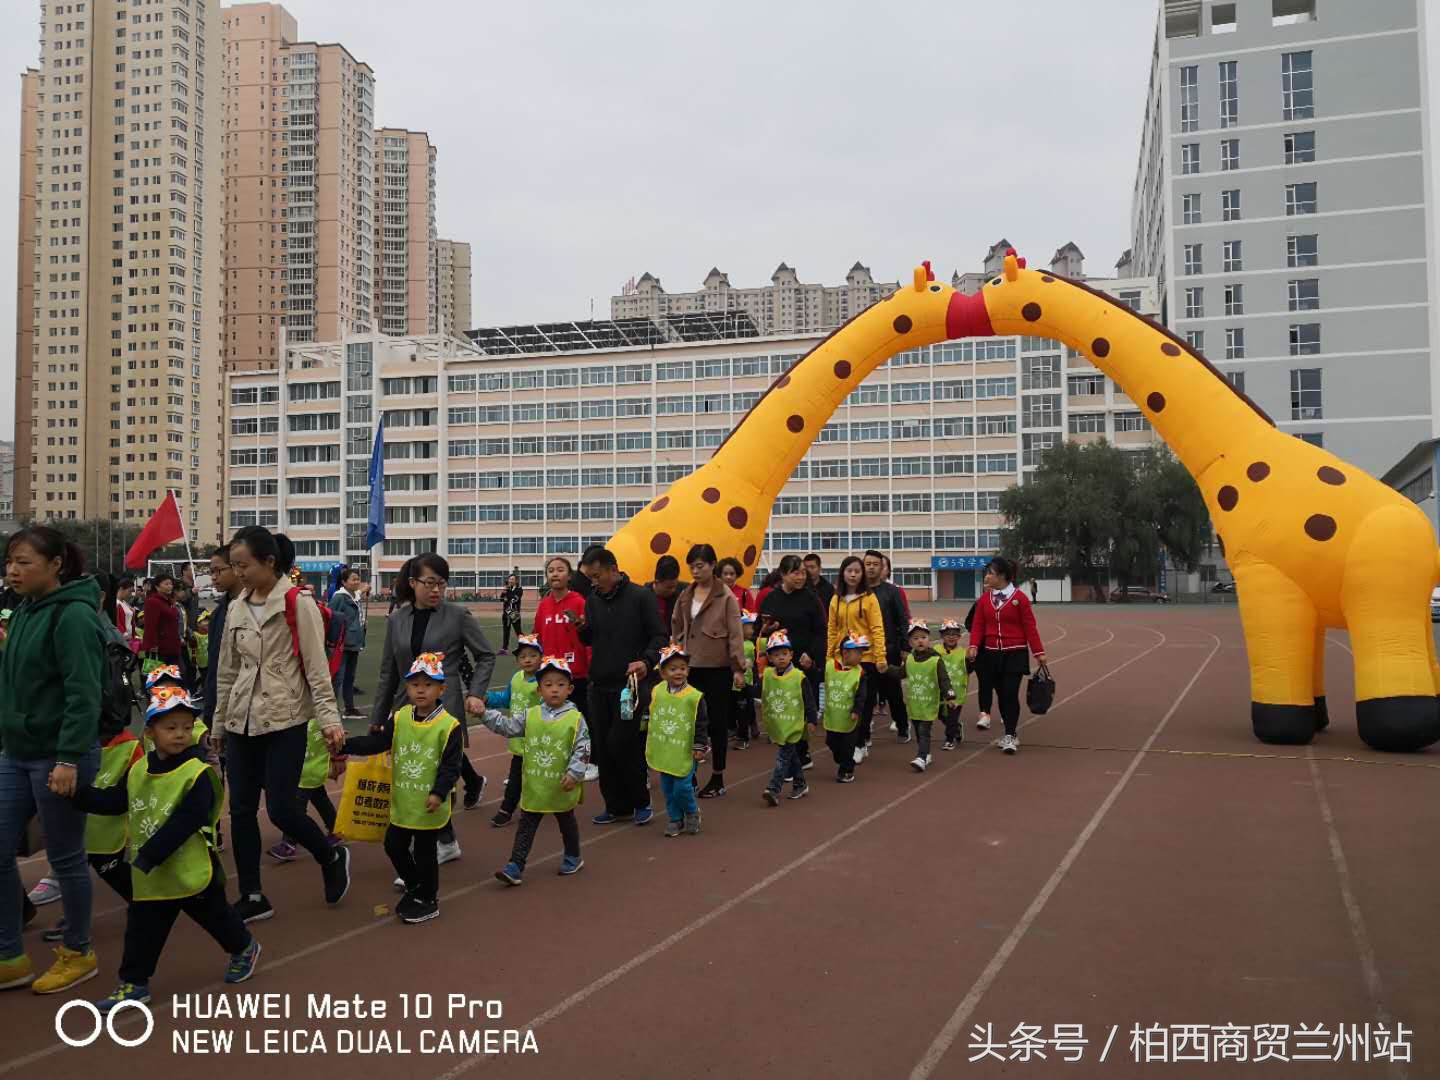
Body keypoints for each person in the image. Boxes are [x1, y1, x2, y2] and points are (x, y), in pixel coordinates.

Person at [72, 687, 259, 1009]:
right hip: (153, 873)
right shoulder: (140, 769)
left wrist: (150, 855)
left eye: (187, 727)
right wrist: (76, 794)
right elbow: (117, 802)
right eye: (170, 728)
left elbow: (188, 820)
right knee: (142, 928)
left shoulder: (197, 772)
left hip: (189, 868)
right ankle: (134, 983)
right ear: (150, 732)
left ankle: (244, 947)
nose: (180, 734)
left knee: (216, 917)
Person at [213, 527, 351, 924]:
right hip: (242, 721)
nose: (237, 573)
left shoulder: (297, 603)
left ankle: (330, 854)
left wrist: (329, 720)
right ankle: (253, 894)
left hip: (285, 720)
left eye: (243, 565)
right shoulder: (237, 607)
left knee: (281, 810)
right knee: (239, 810)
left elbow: (315, 667)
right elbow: (227, 671)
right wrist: (220, 725)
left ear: (269, 562)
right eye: (233, 566)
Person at [0, 526, 105, 994]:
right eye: (9, 562)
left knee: (64, 858)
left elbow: (83, 695)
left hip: (60, 755)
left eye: (24, 562)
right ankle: (9, 955)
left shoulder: (75, 617)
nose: (12, 571)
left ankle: (79, 951)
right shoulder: (23, 612)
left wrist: (66, 758)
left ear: (55, 565)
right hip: (17, 752)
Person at [372, 553, 496, 855]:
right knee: (412, 773)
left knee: (439, 774)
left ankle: (433, 846)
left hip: (445, 706)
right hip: (406, 708)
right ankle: (445, 840)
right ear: (413, 583)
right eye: (430, 583)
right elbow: (389, 672)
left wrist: (476, 692)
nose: (436, 590)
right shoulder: (397, 619)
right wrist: (378, 717)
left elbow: (486, 655)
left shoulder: (457, 615)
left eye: (441, 583)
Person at [341, 652, 463, 924]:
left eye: (428, 684)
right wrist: (346, 746)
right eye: (415, 684)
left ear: (441, 689)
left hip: (429, 804)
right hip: (404, 800)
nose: (421, 690)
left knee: (425, 852)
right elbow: (378, 743)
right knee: (393, 844)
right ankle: (414, 885)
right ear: (407, 688)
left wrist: (438, 792)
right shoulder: (400, 717)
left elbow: (451, 766)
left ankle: (429, 898)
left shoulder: (448, 726)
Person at [575, 546, 666, 825]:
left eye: (597, 575)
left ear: (613, 569)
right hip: (599, 683)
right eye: (590, 577)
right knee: (602, 747)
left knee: (622, 742)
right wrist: (582, 629)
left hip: (630, 686)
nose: (593, 581)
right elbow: (593, 638)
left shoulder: (641, 596)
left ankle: (641, 801)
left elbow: (659, 637)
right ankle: (615, 806)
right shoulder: (593, 600)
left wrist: (646, 662)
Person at [478, 656, 589, 885]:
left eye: (560, 684)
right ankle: (515, 865)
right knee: (527, 825)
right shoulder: (532, 715)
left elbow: (583, 748)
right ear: (539, 690)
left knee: (566, 822)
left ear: (570, 689)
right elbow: (508, 726)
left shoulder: (575, 719)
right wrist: (484, 714)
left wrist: (575, 773)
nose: (554, 690)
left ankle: (573, 856)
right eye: (548, 685)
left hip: (561, 785)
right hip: (535, 786)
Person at [671, 545, 745, 801]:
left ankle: (717, 776)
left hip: (717, 666)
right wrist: (675, 656)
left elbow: (736, 633)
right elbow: (677, 626)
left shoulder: (725, 597)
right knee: (689, 722)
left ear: (712, 565)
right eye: (691, 566)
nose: (695, 570)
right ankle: (688, 773)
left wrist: (738, 667)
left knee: (717, 722)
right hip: (690, 667)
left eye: (700, 565)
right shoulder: (685, 595)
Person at [967, 557, 1046, 754]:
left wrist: (1039, 652)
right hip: (992, 655)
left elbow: (1030, 627)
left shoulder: (1021, 598)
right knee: (1001, 695)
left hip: (1015, 654)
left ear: (1002, 576)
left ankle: (1010, 735)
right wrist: (974, 645)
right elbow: (978, 625)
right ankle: (1010, 732)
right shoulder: (984, 599)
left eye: (990, 573)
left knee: (1010, 693)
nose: (986, 576)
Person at [758, 554, 827, 769]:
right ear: (783, 574)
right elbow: (759, 633)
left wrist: (812, 655)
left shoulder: (810, 598)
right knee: (784, 708)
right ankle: (790, 752)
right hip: (778, 663)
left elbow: (820, 631)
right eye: (795, 572)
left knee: (803, 707)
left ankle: (801, 752)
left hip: (804, 661)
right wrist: (768, 631)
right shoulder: (771, 598)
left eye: (803, 573)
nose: (800, 577)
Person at [826, 555, 886, 762]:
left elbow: (877, 628)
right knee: (844, 702)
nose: (853, 575)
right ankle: (851, 740)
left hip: (866, 657)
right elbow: (832, 630)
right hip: (842, 658)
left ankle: (860, 742)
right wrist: (830, 656)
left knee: (864, 703)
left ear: (862, 575)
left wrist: (880, 656)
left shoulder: (870, 598)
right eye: (849, 570)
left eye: (857, 571)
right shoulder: (836, 599)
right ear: (842, 573)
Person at [645, 644, 708, 837]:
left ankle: (691, 811)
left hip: (685, 749)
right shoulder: (657, 691)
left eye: (682, 668)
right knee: (668, 788)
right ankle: (675, 819)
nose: (678, 672)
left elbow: (701, 722)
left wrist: (699, 744)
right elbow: (652, 714)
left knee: (682, 787)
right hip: (665, 748)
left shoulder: (694, 697)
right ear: (663, 672)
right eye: (673, 669)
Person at [485, 634, 543, 828]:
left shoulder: (544, 682)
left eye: (533, 655)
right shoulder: (516, 678)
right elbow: (505, 699)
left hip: (538, 741)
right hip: (518, 740)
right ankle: (509, 808)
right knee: (517, 775)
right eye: (523, 656)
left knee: (535, 776)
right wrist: (488, 699)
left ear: (541, 657)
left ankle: (519, 807)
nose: (527, 659)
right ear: (517, 660)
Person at [758, 632, 816, 805]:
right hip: (778, 723)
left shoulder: (799, 677)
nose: (781, 658)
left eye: (784, 654)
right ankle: (801, 783)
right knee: (791, 757)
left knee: (783, 756)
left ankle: (773, 789)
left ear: (791, 654)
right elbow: (760, 691)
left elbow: (809, 699)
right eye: (776, 655)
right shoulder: (768, 675)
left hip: (793, 724)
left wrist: (812, 719)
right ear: (769, 657)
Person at [863, 550, 911, 744]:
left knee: (893, 692)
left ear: (883, 568)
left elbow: (902, 620)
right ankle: (864, 734)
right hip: (864, 652)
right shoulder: (858, 592)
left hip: (889, 650)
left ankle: (902, 726)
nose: (872, 567)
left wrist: (904, 647)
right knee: (865, 694)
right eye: (868, 564)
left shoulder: (892, 592)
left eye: (876, 564)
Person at [533, 556, 590, 711]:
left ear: (569, 575)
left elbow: (589, 639)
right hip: (550, 675)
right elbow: (537, 637)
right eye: (550, 571)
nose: (555, 574)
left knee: (580, 720)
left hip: (576, 676)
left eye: (560, 570)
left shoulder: (579, 602)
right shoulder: (544, 605)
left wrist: (589, 667)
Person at [903, 621, 957, 772]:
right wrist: (887, 669)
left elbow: (944, 679)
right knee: (917, 729)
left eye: (923, 637)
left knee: (924, 730)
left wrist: (950, 696)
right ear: (910, 642)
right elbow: (902, 673)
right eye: (915, 638)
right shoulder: (909, 659)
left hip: (929, 703)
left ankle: (921, 757)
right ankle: (925, 754)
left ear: (929, 639)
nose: (920, 640)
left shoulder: (936, 659)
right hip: (915, 703)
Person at [822, 635, 870, 783]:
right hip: (833, 715)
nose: (861, 656)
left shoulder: (859, 673)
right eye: (859, 653)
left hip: (850, 717)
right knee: (831, 742)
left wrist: (857, 710)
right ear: (846, 653)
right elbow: (819, 676)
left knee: (847, 746)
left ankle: (846, 770)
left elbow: (861, 695)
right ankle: (842, 760)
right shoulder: (830, 666)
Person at [330, 568, 367, 720]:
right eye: (353, 579)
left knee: (349, 678)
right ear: (344, 582)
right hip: (341, 644)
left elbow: (358, 595)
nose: (356, 581)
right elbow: (330, 616)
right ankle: (329, 710)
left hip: (354, 643)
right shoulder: (339, 597)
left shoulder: (353, 596)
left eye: (358, 579)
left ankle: (349, 708)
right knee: (338, 677)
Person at [141, 573, 184, 674]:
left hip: (172, 647)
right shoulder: (153, 602)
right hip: (161, 649)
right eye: (166, 584)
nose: (170, 586)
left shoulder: (168, 601)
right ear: (157, 586)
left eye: (170, 584)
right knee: (162, 681)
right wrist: (153, 645)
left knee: (175, 678)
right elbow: (150, 626)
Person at [938, 618, 970, 749]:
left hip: (957, 691)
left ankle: (949, 739)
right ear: (942, 636)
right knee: (940, 714)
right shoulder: (936, 651)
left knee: (952, 716)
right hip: (940, 690)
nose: (951, 637)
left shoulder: (964, 654)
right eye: (947, 634)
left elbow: (970, 669)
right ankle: (957, 727)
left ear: (959, 636)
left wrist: (972, 660)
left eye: (954, 634)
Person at [735, 612, 759, 748]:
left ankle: (743, 737)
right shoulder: (735, 643)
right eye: (749, 627)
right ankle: (752, 724)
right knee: (743, 707)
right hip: (736, 682)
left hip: (745, 682)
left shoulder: (749, 644)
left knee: (743, 707)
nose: (752, 630)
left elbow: (751, 664)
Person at [646, 555, 682, 630]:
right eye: (669, 588)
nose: (673, 590)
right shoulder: (644, 597)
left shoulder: (681, 594)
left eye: (675, 586)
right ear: (657, 582)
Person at [499, 574, 524, 652]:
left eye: (513, 579)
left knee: (518, 631)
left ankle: (523, 646)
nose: (511, 581)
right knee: (506, 631)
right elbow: (501, 599)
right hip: (506, 613)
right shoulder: (506, 589)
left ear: (516, 581)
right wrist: (503, 593)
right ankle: (504, 648)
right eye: (510, 579)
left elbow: (514, 599)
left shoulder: (519, 589)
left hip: (514, 613)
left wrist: (507, 597)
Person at [115, 576, 138, 648]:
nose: (130, 594)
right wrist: (125, 636)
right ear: (121, 589)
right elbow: (118, 623)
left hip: (129, 638)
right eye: (129, 591)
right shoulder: (117, 604)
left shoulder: (124, 602)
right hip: (124, 640)